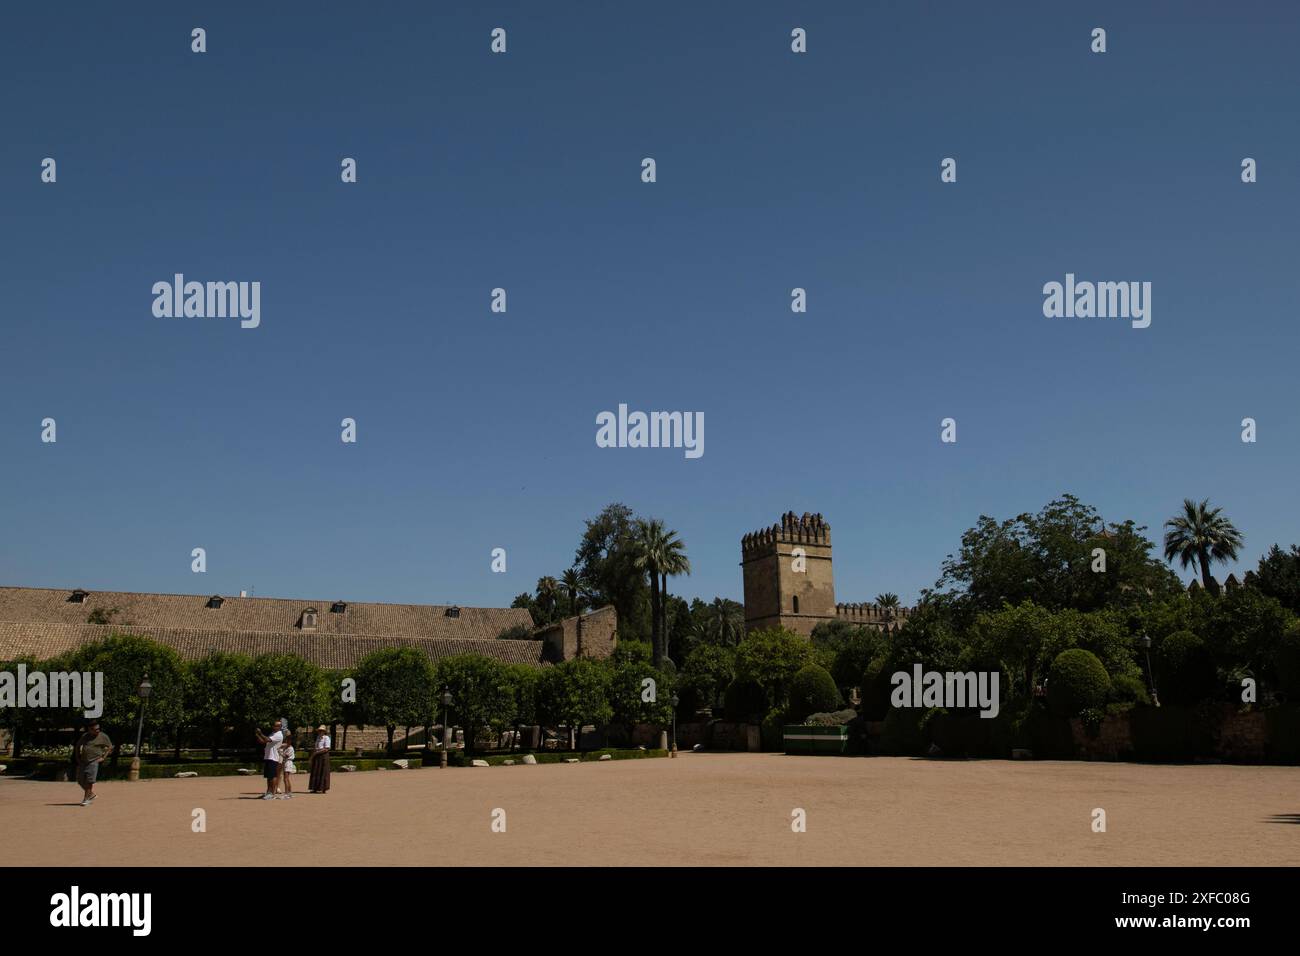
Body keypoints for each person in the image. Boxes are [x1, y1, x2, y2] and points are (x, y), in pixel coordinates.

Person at [74, 720, 113, 807]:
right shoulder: (85, 736)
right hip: (83, 761)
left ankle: (86, 799)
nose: (98, 730)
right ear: (90, 729)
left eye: (98, 728)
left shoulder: (103, 736)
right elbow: (77, 746)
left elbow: (110, 746)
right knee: (80, 780)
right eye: (95, 729)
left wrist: (103, 757)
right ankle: (91, 794)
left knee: (89, 781)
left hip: (94, 761)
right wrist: (77, 757)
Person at [254, 719, 284, 800]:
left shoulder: (279, 735)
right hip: (268, 756)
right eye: (273, 725)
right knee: (268, 776)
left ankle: (272, 793)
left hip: (273, 757)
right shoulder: (272, 734)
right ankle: (268, 792)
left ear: (280, 727)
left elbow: (267, 739)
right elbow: (263, 742)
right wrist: (257, 735)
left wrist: (260, 733)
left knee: (273, 776)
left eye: (276, 725)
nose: (274, 727)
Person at [309, 725, 331, 794]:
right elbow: (316, 747)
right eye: (319, 731)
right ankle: (315, 788)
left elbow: (326, 748)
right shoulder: (318, 738)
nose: (320, 732)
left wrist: (316, 753)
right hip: (317, 755)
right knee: (316, 771)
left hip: (323, 756)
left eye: (321, 731)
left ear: (324, 731)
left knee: (323, 772)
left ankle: (323, 788)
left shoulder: (326, 738)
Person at [278, 730, 295, 800]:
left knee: (285, 779)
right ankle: (289, 793)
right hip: (287, 762)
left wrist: (279, 752)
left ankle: (286, 793)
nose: (286, 742)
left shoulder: (290, 748)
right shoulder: (287, 747)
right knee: (287, 779)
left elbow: (285, 756)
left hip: (288, 762)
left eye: (288, 741)